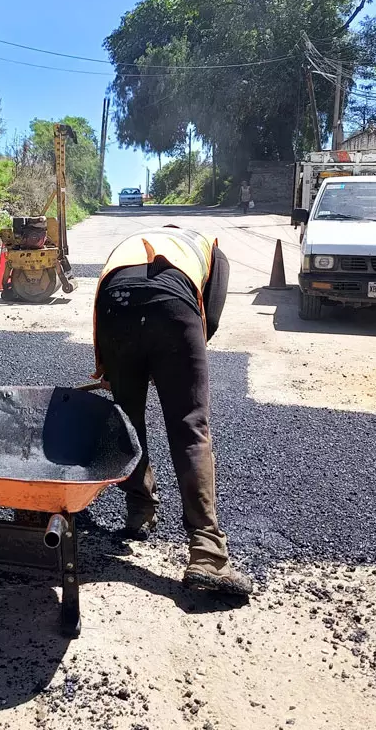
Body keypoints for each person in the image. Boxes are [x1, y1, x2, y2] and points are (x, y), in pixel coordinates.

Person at [92, 226, 252, 595]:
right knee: (189, 425)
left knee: (127, 420)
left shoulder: (128, 245)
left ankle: (139, 512)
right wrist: (176, 365)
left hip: (115, 305)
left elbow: (101, 304)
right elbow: (208, 319)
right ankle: (208, 555)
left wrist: (111, 367)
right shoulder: (209, 248)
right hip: (175, 308)